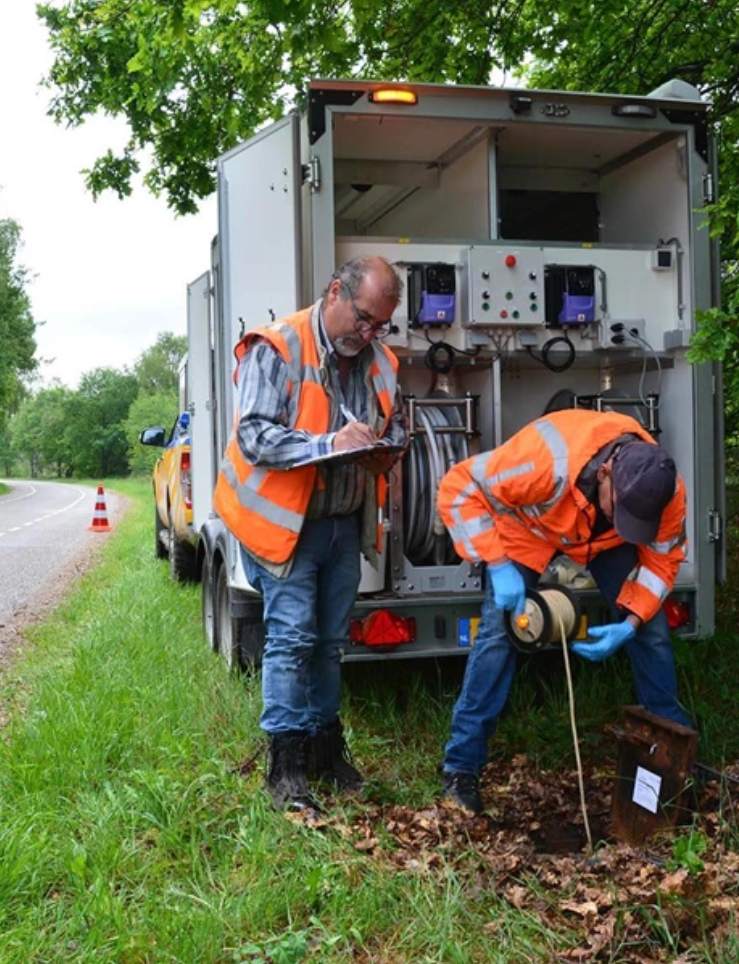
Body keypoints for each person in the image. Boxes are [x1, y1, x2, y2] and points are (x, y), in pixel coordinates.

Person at [214, 256, 408, 813]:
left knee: (328, 644)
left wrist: (387, 447)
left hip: (342, 527)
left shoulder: (380, 361)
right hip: (286, 529)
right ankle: (286, 769)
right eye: (364, 320)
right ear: (335, 294)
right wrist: (330, 446)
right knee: (292, 641)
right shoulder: (275, 348)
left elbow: (388, 422)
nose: (369, 335)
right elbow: (254, 437)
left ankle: (326, 754)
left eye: (380, 326)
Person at [436, 409, 691, 813]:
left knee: (652, 633)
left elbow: (661, 562)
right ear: (606, 472)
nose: (627, 522)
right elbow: (458, 487)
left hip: (604, 543)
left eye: (637, 520)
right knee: (498, 637)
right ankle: (460, 766)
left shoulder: (663, 490)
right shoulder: (543, 463)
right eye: (620, 509)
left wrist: (631, 620)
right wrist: (498, 565)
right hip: (529, 530)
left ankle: (673, 755)